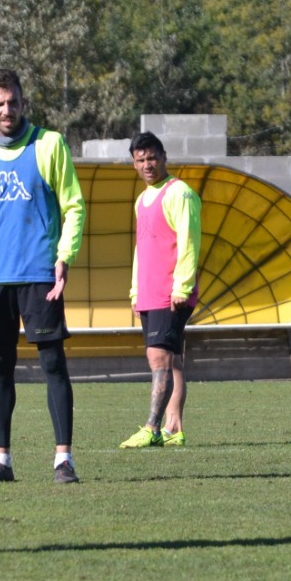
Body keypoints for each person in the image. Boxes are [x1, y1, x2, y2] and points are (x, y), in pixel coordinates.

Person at [0, 69, 85, 484]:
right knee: (0, 366)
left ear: (22, 102)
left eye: (13, 101)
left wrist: (64, 256)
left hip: (38, 274)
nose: (7, 110)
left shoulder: (50, 144)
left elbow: (74, 206)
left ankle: (63, 460)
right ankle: (1, 461)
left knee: (53, 363)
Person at [118, 132, 202, 449]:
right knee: (172, 361)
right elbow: (142, 248)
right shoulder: (143, 199)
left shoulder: (179, 193)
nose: (147, 165)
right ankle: (173, 428)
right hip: (150, 292)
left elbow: (189, 242)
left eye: (152, 157)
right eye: (140, 160)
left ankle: (151, 427)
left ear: (163, 156)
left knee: (158, 358)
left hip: (171, 292)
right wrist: (135, 291)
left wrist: (182, 285)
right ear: (134, 163)